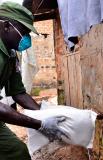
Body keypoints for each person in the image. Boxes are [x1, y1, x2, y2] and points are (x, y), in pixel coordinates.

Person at [0, 2, 67, 160]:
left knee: (18, 153)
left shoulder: (11, 55)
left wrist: (44, 115)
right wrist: (40, 124)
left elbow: (18, 93)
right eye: (23, 31)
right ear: (6, 26)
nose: (26, 38)